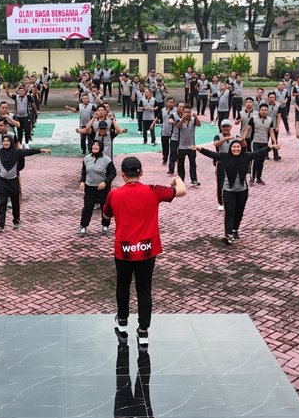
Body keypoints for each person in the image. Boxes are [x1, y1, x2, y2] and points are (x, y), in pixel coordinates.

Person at [102, 157, 187, 347]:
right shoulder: (153, 190)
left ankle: (122, 322)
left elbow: (106, 215)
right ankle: (143, 331)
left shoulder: (114, 194)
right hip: (147, 249)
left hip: (124, 249)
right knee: (144, 289)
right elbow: (182, 191)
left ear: (122, 174)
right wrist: (177, 179)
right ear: (141, 173)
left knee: (122, 286)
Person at [194, 138, 275, 244]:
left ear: (241, 148)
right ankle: (227, 234)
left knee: (239, 212)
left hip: (242, 190)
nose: (236, 149)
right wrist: (200, 149)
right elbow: (212, 154)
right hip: (228, 190)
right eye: (234, 147)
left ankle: (235, 230)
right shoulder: (225, 157)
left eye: (238, 147)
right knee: (229, 212)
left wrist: (270, 147)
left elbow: (258, 153)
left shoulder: (246, 156)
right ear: (230, 148)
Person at [0, 136, 51, 231]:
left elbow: (29, 152)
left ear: (11, 142)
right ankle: (1, 224)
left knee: (15, 203)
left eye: (7, 141)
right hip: (2, 182)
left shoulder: (17, 152)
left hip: (13, 182)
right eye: (4, 141)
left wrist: (42, 150)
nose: (6, 143)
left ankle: (16, 220)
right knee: (3, 204)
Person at [78, 139, 116, 237]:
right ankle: (83, 226)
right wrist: (82, 181)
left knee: (105, 207)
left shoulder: (106, 160)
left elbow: (113, 173)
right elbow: (84, 171)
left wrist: (105, 182)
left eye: (97, 145)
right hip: (89, 188)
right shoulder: (86, 158)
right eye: (93, 145)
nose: (95, 147)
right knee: (88, 207)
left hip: (103, 189)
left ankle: (105, 226)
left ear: (101, 147)